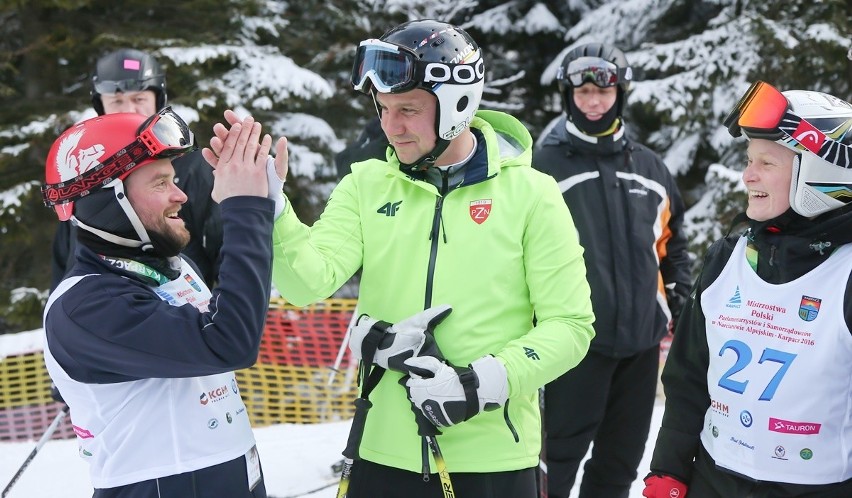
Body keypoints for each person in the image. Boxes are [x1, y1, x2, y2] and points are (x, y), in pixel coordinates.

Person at [208, 19, 596, 498]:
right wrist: (272, 207)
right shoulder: (366, 184)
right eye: (384, 109)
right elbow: (307, 282)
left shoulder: (531, 194)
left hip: (492, 460)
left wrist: (480, 383)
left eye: (408, 109)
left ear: (457, 105)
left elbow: (572, 326)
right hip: (381, 453)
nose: (392, 127)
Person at [41, 108, 280, 497]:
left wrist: (266, 205)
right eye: (160, 183)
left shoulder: (173, 266)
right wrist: (245, 208)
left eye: (175, 179)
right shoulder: (84, 306)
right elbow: (229, 340)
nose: (180, 195)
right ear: (108, 201)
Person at [643, 81, 852, 497]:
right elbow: (687, 380)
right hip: (713, 480)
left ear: (819, 173)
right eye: (748, 159)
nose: (747, 175)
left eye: (767, 164)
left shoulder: (844, 276)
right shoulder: (728, 259)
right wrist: (667, 473)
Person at [532, 43, 692, 498]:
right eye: (583, 92)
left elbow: (671, 245)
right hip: (571, 344)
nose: (594, 102)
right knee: (552, 461)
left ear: (620, 93)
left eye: (604, 91)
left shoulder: (650, 168)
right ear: (568, 95)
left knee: (619, 461)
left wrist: (680, 303)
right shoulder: (543, 169)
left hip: (641, 345)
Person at [50, 48, 223, 291]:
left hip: (180, 310)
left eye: (139, 99)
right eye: (117, 101)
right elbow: (65, 254)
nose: (129, 109)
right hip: (95, 308)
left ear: (157, 101)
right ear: (101, 106)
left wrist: (223, 315)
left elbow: (222, 245)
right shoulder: (86, 167)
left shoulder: (191, 165)